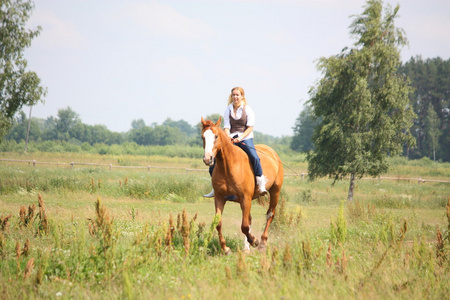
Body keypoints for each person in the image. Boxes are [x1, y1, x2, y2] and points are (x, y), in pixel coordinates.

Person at [203, 87, 268, 198]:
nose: (235, 97)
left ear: (242, 96)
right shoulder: (228, 109)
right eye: (233, 95)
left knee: (255, 157)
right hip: (231, 137)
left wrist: (241, 137)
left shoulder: (248, 110)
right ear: (231, 96)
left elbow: (250, 128)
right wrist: (228, 137)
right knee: (216, 158)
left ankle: (261, 183)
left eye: (237, 95)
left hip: (245, 137)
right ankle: (215, 187)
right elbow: (227, 126)